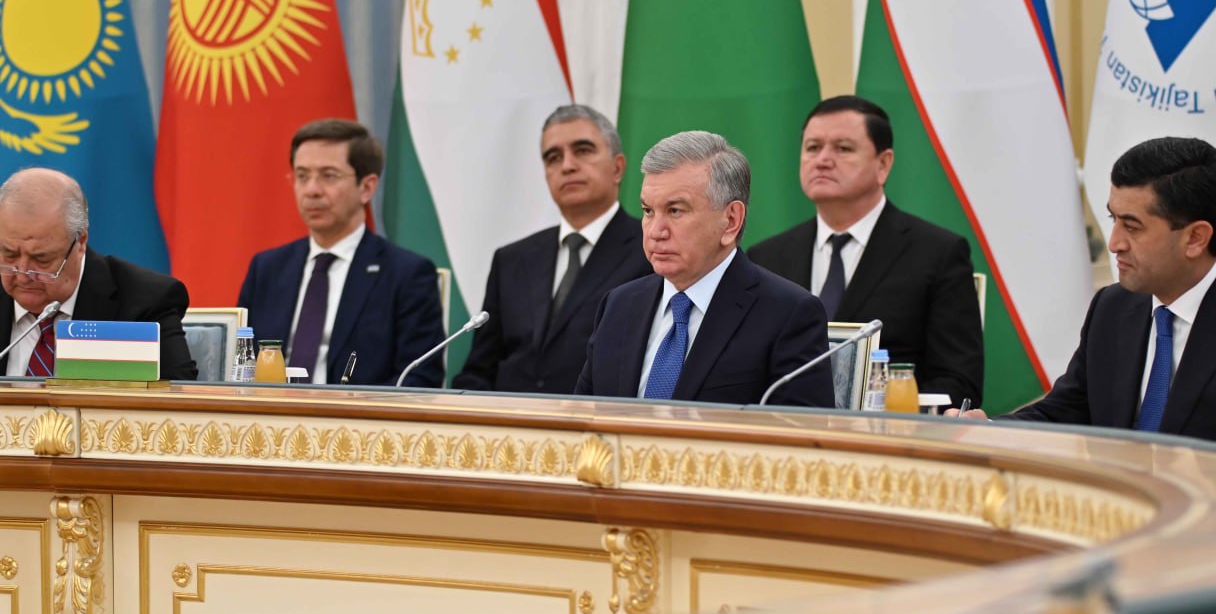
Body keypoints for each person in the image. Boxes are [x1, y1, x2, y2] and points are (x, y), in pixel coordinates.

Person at [952, 137, 1216, 444]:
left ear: (1195, 238)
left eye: (1132, 227)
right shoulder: (1112, 306)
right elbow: (1068, 411)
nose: (1114, 243)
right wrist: (988, 431)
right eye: (1113, 220)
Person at [748, 95, 983, 407]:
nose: (823, 160)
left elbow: (958, 381)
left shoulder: (938, 253)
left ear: (883, 164)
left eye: (843, 148)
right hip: (786, 430)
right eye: (813, 147)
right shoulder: (765, 258)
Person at [576, 130, 833, 407]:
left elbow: (799, 431)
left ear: (731, 220)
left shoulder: (788, 314)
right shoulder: (618, 306)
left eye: (675, 211)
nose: (655, 231)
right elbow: (581, 418)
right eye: (648, 211)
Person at [453, 105, 650, 394]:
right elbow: (480, 370)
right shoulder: (511, 259)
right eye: (553, 157)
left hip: (596, 419)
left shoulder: (651, 250)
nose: (567, 166)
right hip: (509, 419)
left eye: (582, 150)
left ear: (617, 168)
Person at [238, 119, 444, 386]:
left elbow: (419, 378)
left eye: (329, 176)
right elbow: (239, 360)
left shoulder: (407, 275)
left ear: (366, 187)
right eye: (302, 176)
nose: (312, 190)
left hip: (358, 412)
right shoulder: (267, 269)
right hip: (269, 411)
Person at [0, 168, 197, 380]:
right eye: (9, 254)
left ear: (81, 242)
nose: (22, 275)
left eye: (42, 259)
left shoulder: (145, 303)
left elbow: (178, 394)